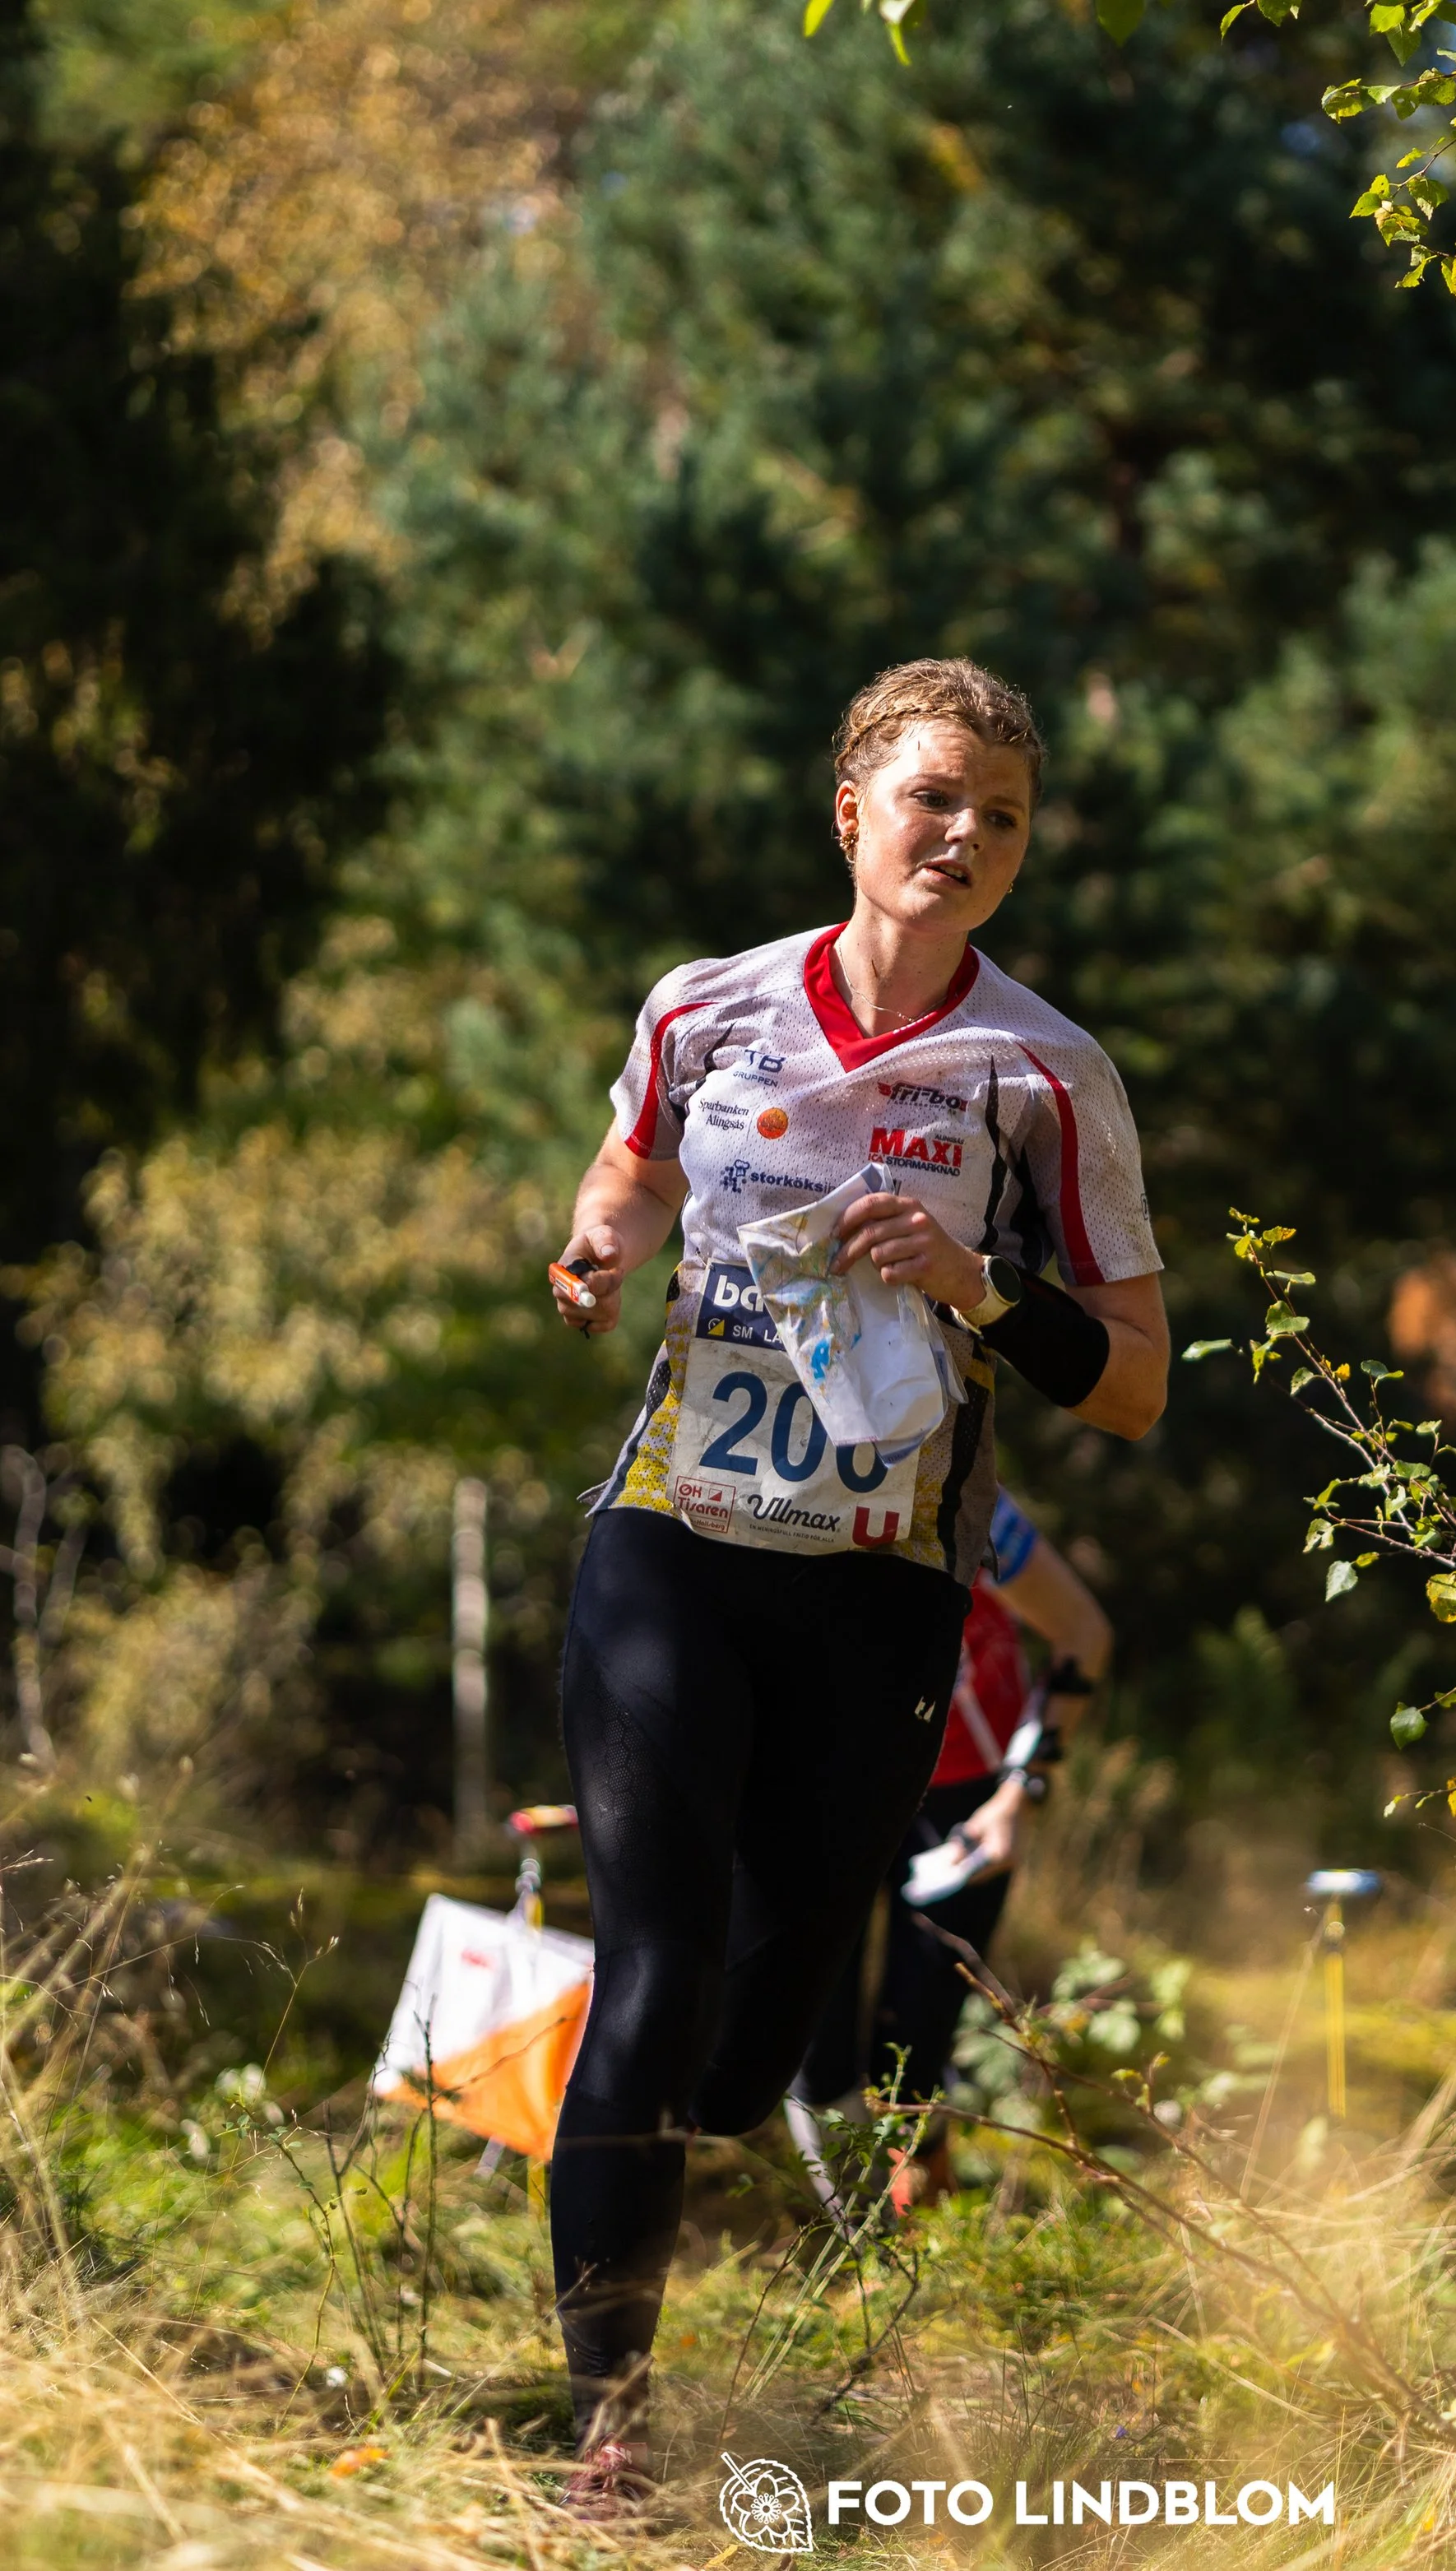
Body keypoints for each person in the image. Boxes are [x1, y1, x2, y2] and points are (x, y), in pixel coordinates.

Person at [544, 658, 1166, 2510]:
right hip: (671, 1539)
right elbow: (630, 1171)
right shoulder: (707, 1004)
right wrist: (592, 1249)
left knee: (743, 2057)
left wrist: (979, 1284)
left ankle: (695, 2158)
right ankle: (611, 2421)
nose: (965, 834)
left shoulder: (1043, 1074)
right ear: (852, 810)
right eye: (933, 797)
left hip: (879, 1595)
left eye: (1002, 813)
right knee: (645, 1985)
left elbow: (1133, 1381)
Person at [786, 1485, 1111, 2214]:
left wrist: (1019, 1791)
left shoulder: (967, 1499)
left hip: (967, 1803)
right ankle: (863, 2248)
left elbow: (1082, 1632)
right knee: (813, 2038)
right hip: (828, 1793)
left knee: (917, 2043)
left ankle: (925, 2246)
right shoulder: (780, 1486)